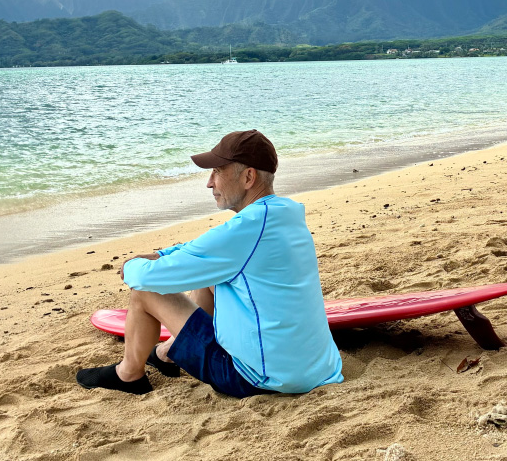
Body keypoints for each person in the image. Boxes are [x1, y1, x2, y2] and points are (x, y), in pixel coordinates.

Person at [76, 130, 344, 397]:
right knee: (213, 276)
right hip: (318, 369)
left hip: (257, 378)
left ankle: (129, 374)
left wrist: (131, 266)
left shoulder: (245, 229)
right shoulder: (283, 214)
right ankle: (167, 354)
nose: (209, 182)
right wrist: (161, 254)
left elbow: (148, 278)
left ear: (248, 177)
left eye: (217, 171)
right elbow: (205, 251)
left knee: (145, 291)